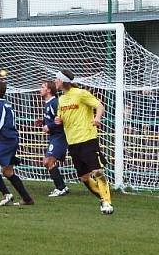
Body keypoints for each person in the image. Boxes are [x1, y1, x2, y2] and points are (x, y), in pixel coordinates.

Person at [53, 70, 113, 214]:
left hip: (87, 138)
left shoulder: (81, 93)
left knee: (97, 171)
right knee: (84, 177)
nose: (55, 81)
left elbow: (99, 106)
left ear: (62, 81)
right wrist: (58, 120)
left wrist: (97, 118)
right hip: (72, 142)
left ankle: (107, 202)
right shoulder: (61, 99)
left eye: (56, 79)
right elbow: (60, 117)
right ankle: (102, 199)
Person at [39, 80, 69, 197]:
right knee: (48, 162)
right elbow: (53, 118)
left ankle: (60, 188)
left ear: (49, 90)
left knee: (48, 161)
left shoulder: (55, 102)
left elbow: (62, 119)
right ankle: (62, 187)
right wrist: (43, 122)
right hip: (54, 137)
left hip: (60, 136)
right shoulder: (48, 103)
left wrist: (49, 126)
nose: (40, 89)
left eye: (42, 87)